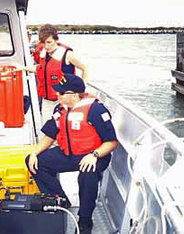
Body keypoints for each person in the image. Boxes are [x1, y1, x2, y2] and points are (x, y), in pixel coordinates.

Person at [25, 74, 118, 234]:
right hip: (70, 153)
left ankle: (85, 221)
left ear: (74, 95)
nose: (57, 96)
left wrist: (94, 155)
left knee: (87, 174)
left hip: (95, 155)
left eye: (61, 93)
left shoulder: (96, 110)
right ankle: (60, 201)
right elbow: (49, 135)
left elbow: (111, 142)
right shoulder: (59, 109)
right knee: (34, 162)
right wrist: (34, 153)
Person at [15, 24, 89, 111]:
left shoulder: (67, 54)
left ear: (56, 39)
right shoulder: (44, 53)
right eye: (43, 43)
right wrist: (23, 68)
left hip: (63, 102)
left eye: (49, 42)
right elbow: (40, 69)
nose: (46, 46)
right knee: (47, 123)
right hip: (47, 101)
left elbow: (85, 68)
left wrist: (81, 91)